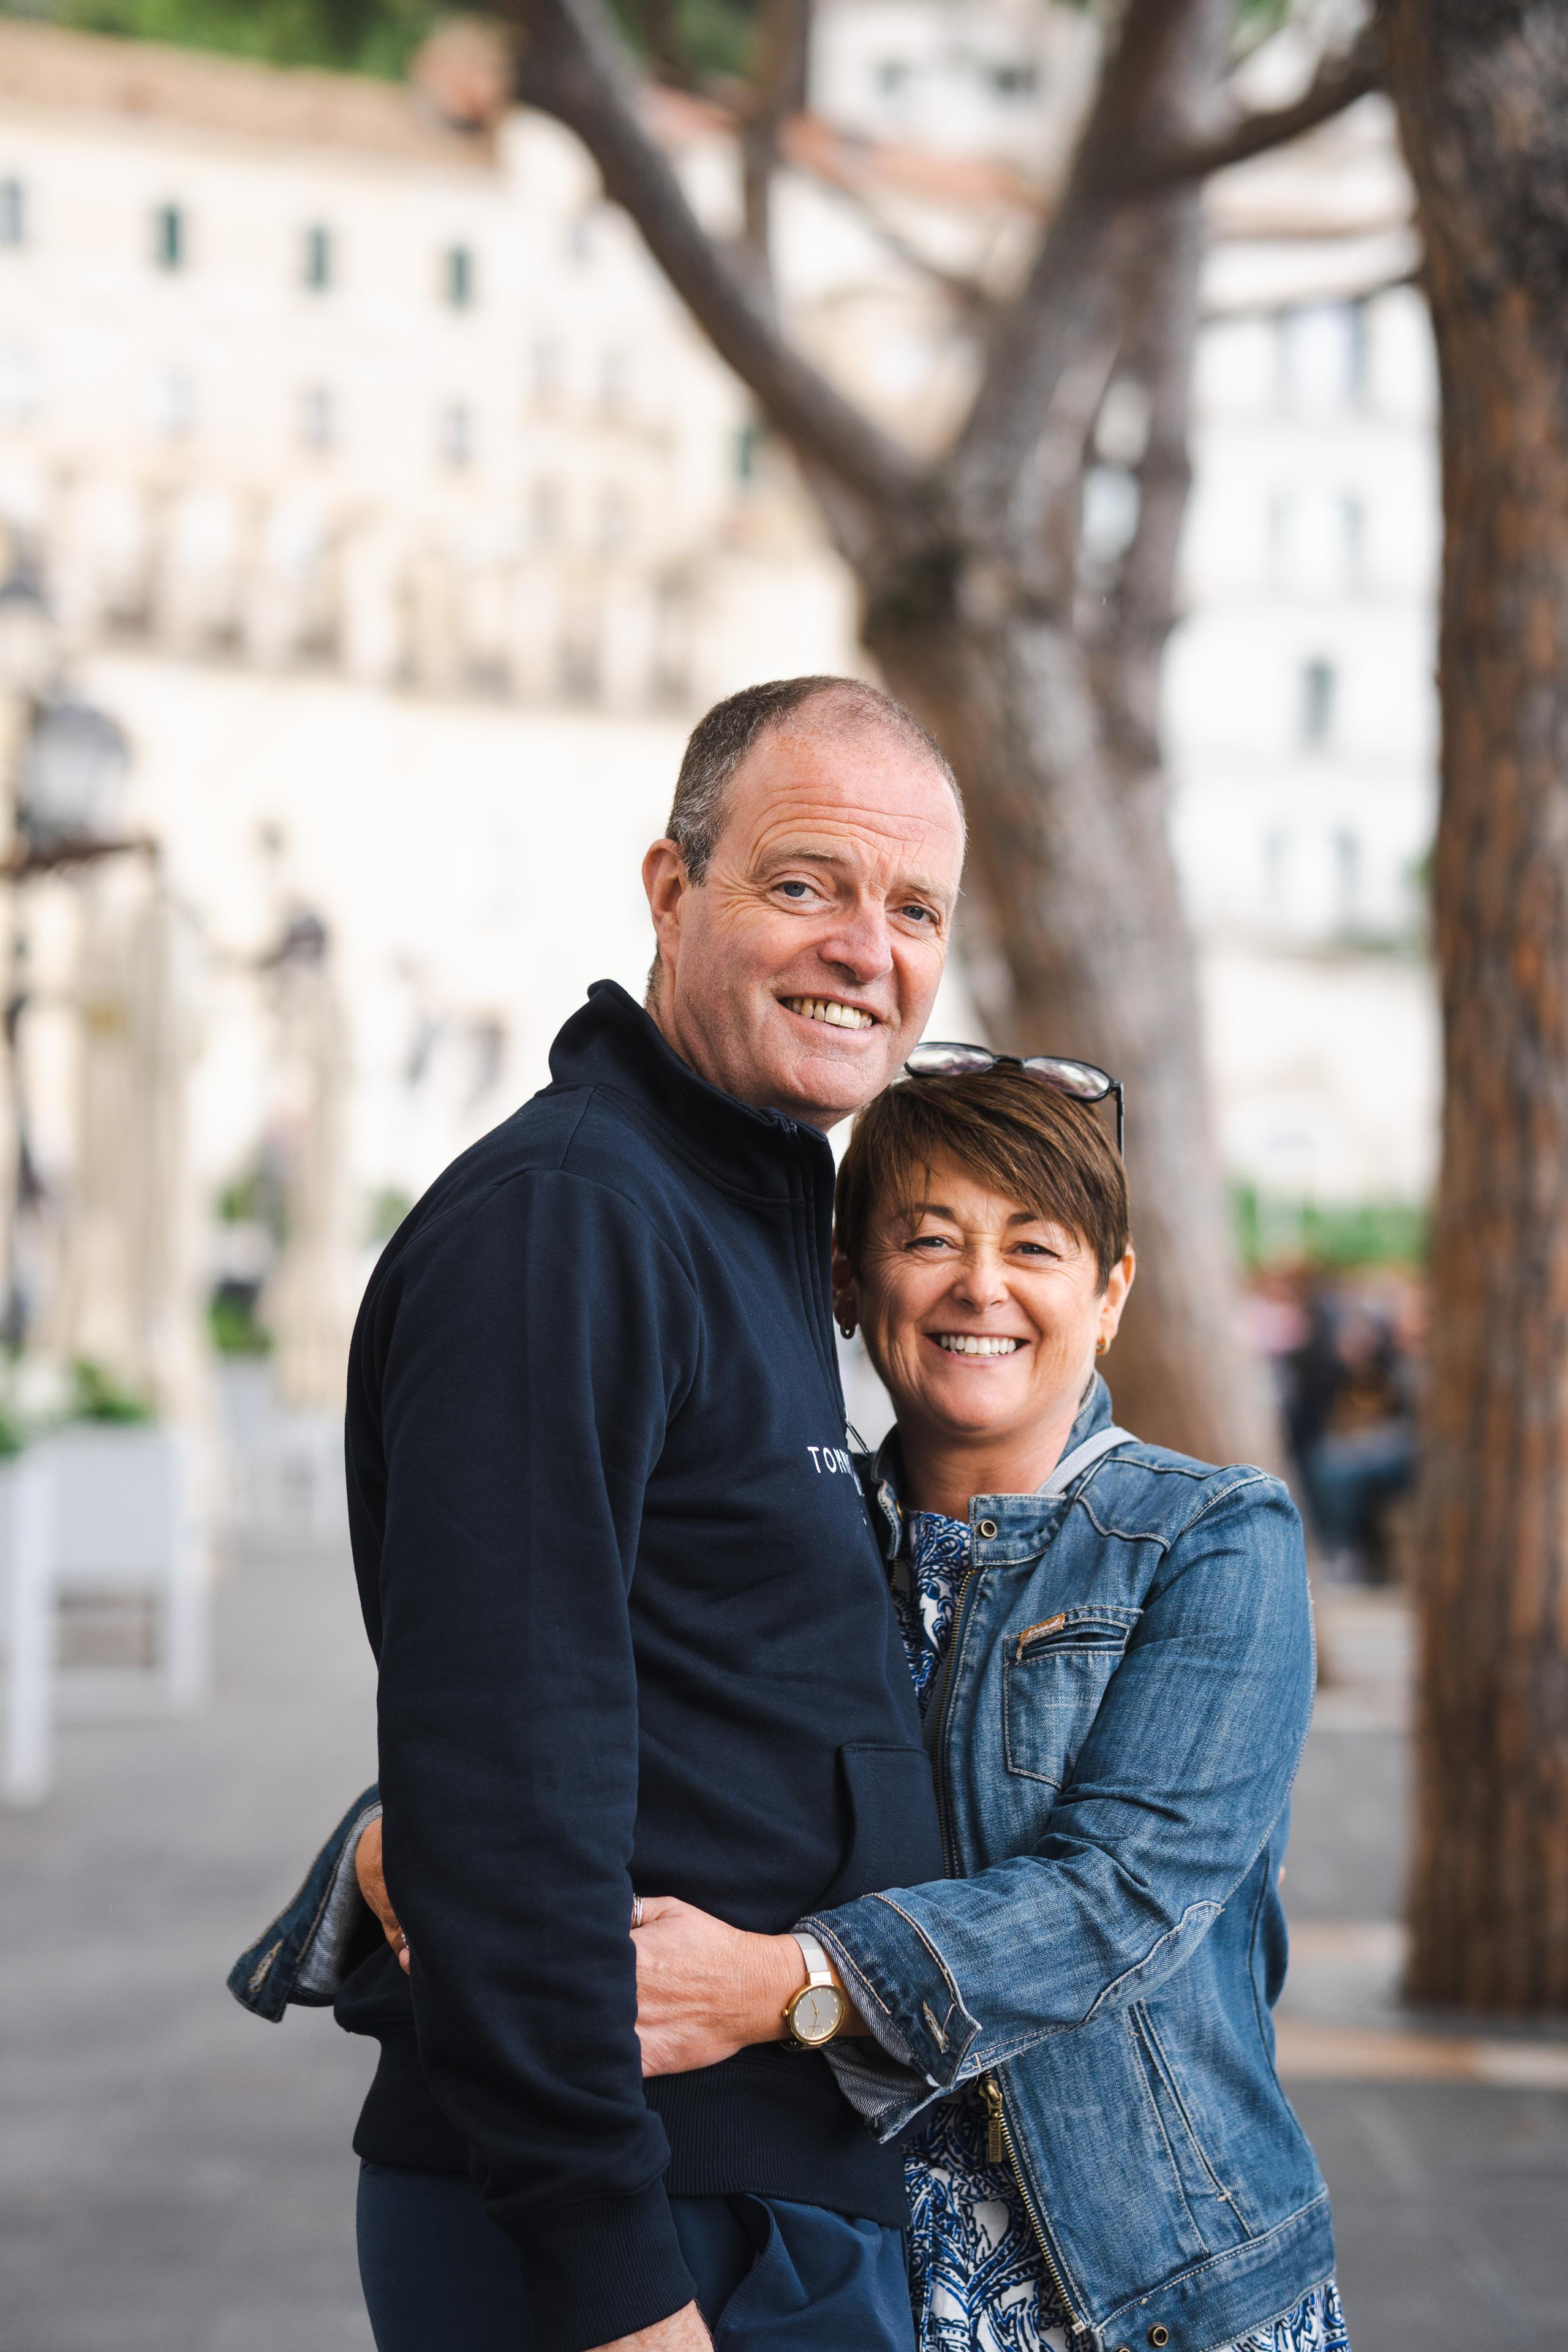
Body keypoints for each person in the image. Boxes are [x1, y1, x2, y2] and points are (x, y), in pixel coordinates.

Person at [230, 674, 967, 2352]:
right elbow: (508, 1777)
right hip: (637, 2245)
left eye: (914, 907)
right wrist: (615, 2285)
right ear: (670, 891)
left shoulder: (755, 1217)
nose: (868, 948)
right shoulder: (574, 1223)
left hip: (760, 2209)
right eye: (807, 883)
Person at [625, 1063, 1348, 2352]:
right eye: (928, 1239)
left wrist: (784, 1982)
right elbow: (598, 1730)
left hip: (1149, 2288)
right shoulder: (778, 1529)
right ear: (847, 1284)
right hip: (846, 2270)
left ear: (1108, 1294)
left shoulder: (1210, 1538)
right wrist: (394, 1842)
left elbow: (1121, 1894)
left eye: (1034, 1246)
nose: (980, 1286)